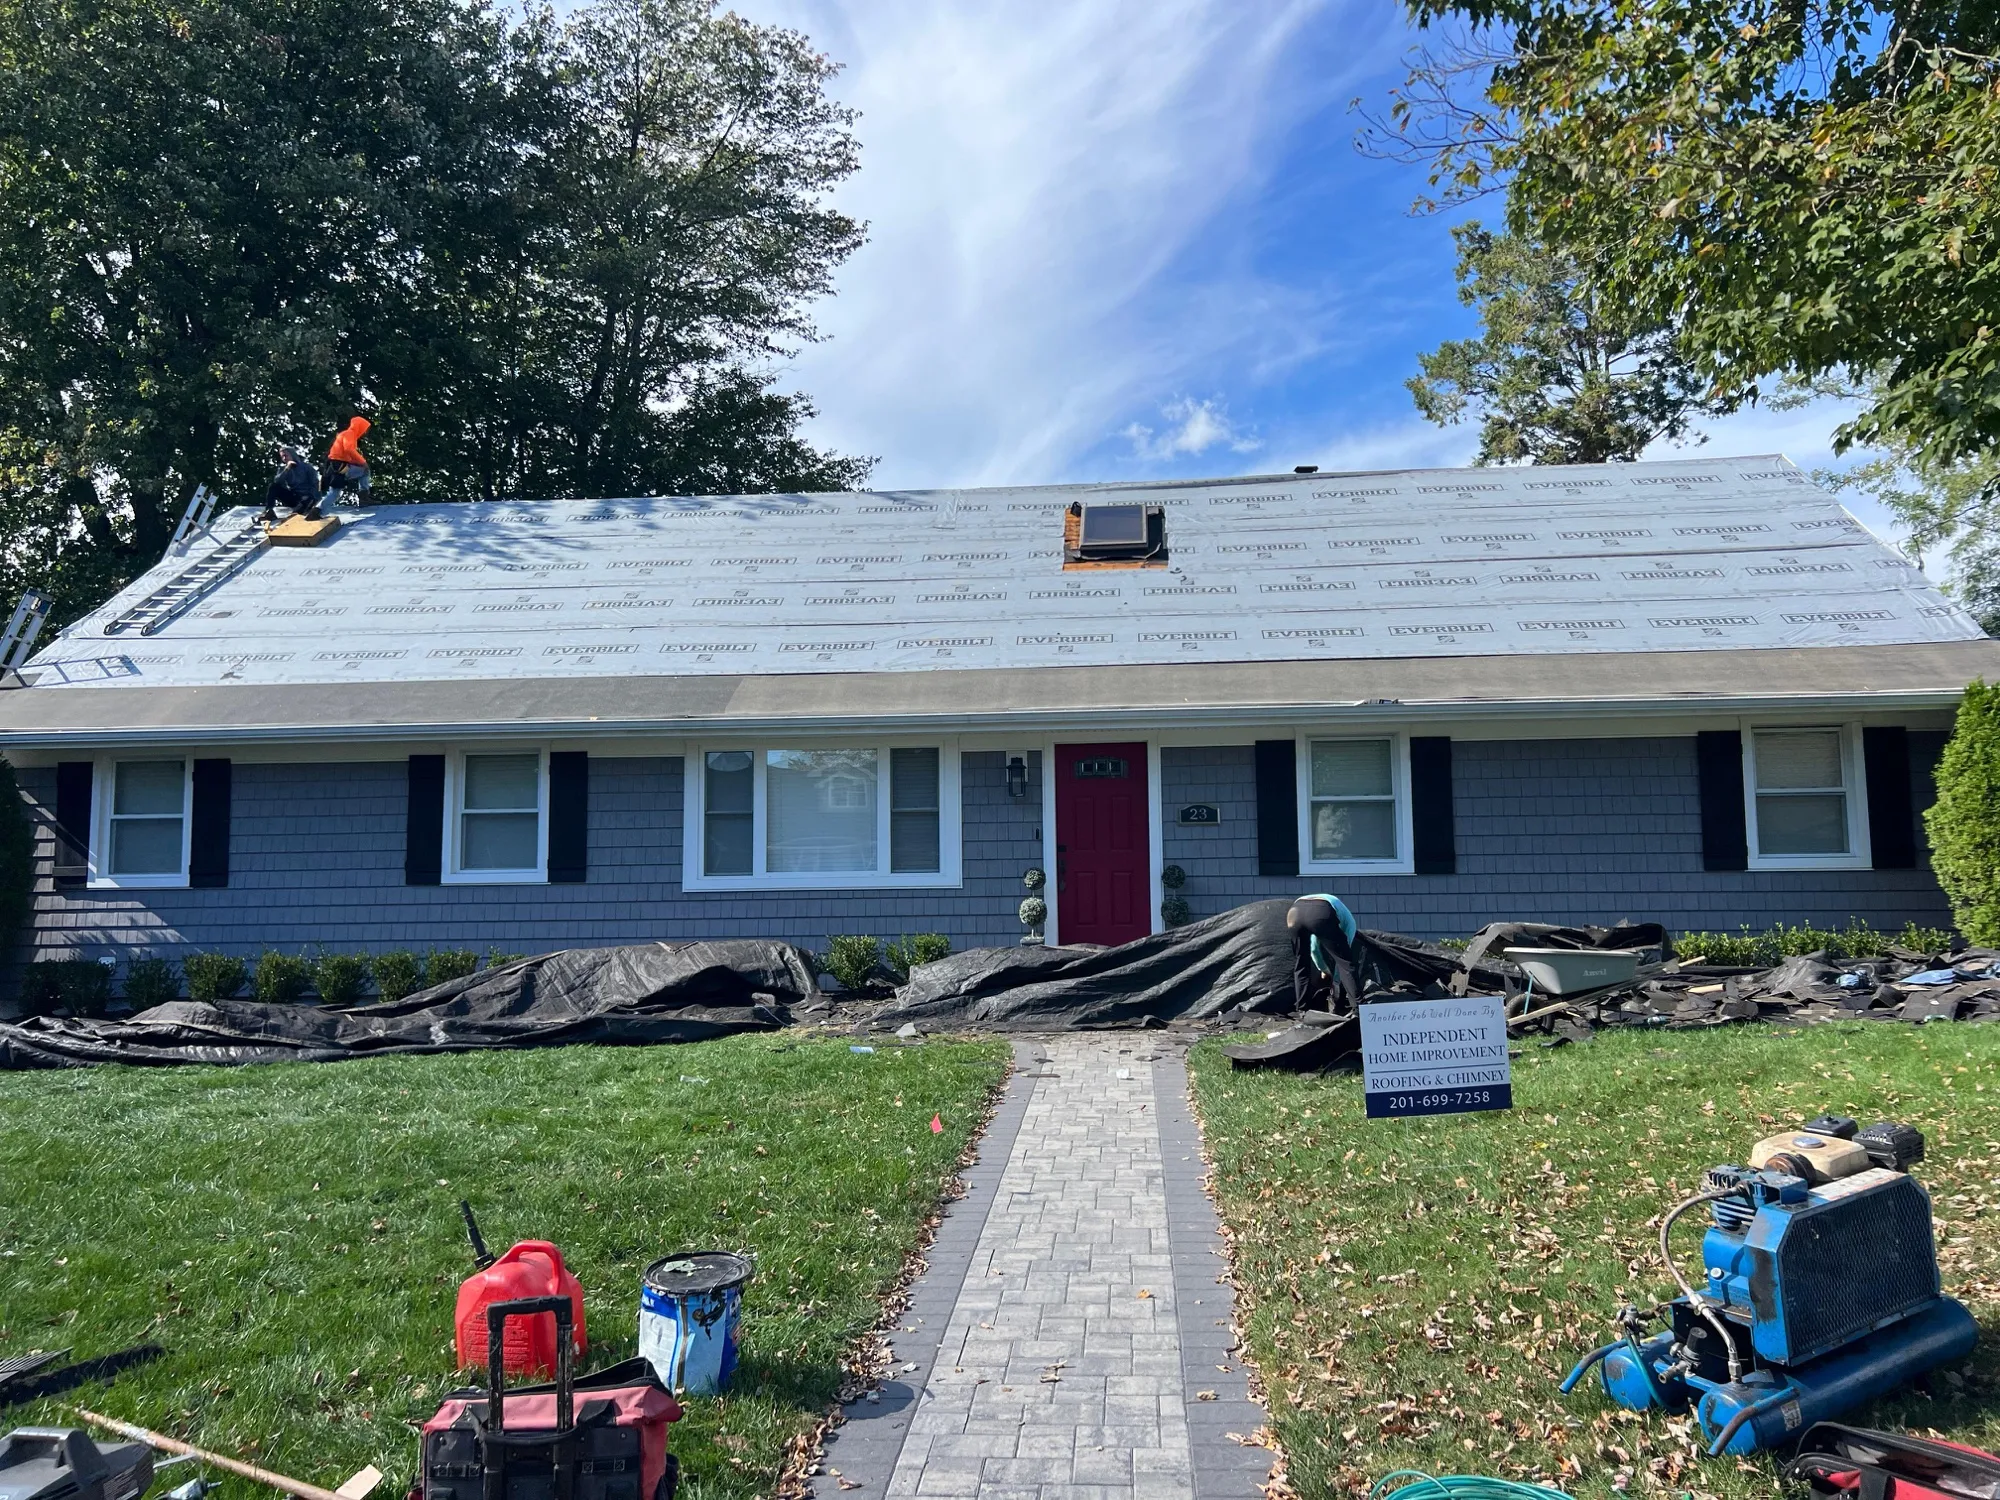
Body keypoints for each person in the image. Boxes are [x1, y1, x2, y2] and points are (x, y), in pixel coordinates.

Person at [1288, 893, 1362, 1013]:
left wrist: (1323, 968)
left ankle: (1302, 1010)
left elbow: (1313, 949)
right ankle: (1359, 1009)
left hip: (1295, 912)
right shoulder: (1350, 924)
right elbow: (1343, 961)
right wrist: (1335, 980)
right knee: (1347, 964)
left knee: (1301, 963)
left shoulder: (1335, 912)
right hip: (1321, 911)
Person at [260, 444, 321, 522]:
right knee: (273, 486)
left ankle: (297, 512)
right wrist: (287, 469)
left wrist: (316, 503)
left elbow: (315, 484)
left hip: (307, 497)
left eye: (286, 455)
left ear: (292, 455)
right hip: (294, 497)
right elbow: (277, 481)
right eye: (282, 456)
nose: (284, 458)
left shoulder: (306, 467)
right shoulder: (283, 468)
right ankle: (269, 512)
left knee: (296, 515)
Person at [322, 415, 372, 506]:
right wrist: (363, 462)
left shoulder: (345, 434)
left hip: (336, 466)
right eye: (364, 429)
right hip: (340, 467)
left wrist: (357, 462)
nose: (365, 432)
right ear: (359, 427)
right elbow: (349, 449)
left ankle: (317, 510)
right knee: (365, 471)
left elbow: (346, 455)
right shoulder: (350, 434)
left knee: (334, 493)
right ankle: (363, 497)